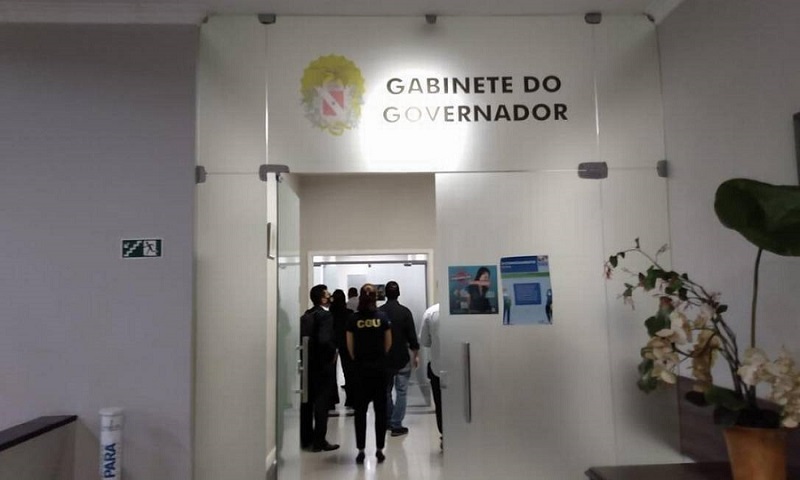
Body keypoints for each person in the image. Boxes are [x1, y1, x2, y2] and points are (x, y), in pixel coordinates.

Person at [346, 283, 392, 464]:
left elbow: (350, 347)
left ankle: (361, 450)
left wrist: (359, 360)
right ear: (375, 297)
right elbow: (388, 343)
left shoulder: (353, 319)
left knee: (360, 412)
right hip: (379, 370)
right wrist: (379, 358)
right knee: (380, 411)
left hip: (360, 371)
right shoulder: (383, 317)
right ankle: (379, 449)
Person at [299, 284, 340, 452]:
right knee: (322, 404)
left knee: (307, 403)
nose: (330, 296)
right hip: (323, 366)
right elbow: (324, 339)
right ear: (323, 299)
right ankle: (319, 441)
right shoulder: (325, 316)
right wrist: (333, 353)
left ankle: (306, 438)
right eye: (327, 294)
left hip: (308, 365)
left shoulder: (307, 315)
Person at [379, 280, 420, 436]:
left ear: (385, 294)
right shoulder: (405, 312)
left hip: (384, 359)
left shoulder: (379, 312)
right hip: (402, 357)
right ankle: (397, 425)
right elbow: (412, 336)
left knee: (386, 392)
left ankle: (388, 421)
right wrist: (415, 355)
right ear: (399, 294)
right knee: (401, 391)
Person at [419, 303, 443, 451]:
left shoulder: (431, 312)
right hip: (463, 367)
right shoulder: (467, 310)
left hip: (438, 367)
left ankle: (445, 435)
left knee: (440, 404)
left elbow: (424, 341)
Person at [330, 288, 355, 409]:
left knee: (331, 372)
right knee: (349, 371)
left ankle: (332, 399)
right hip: (346, 343)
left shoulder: (330, 313)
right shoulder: (349, 313)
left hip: (332, 344)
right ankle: (351, 399)